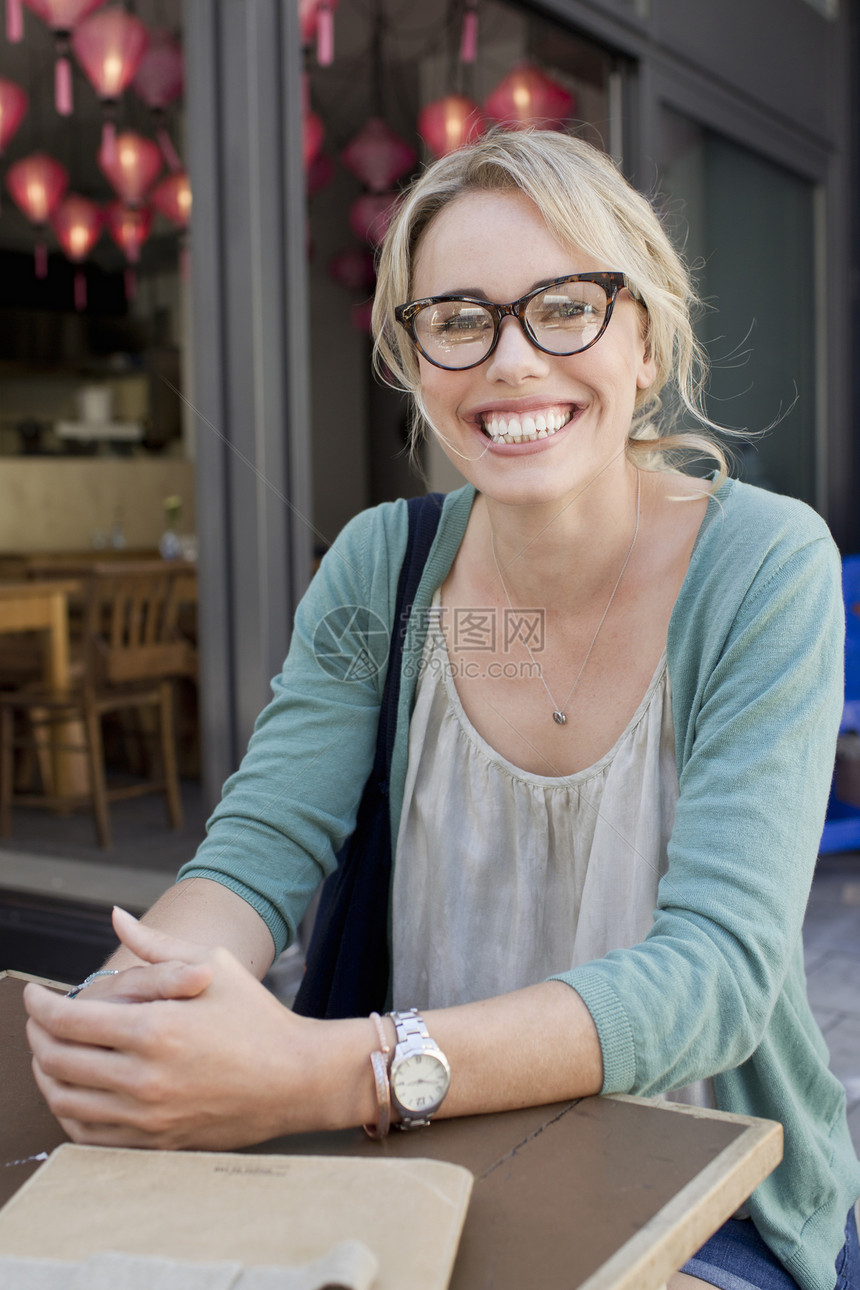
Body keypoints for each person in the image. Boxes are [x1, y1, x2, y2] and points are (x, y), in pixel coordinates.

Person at [24, 130, 860, 1290]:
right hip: (410, 1153)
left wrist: (324, 1071)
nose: (510, 360)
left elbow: (714, 975)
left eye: (562, 306)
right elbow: (262, 849)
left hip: (701, 1187)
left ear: (647, 336)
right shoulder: (386, 569)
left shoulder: (761, 566)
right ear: (412, 357)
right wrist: (151, 1005)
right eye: (458, 319)